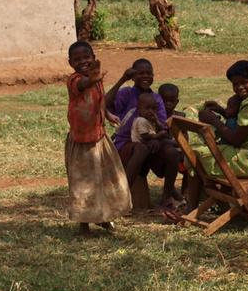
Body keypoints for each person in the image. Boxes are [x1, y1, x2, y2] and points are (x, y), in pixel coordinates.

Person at [187, 61, 248, 208]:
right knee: (202, 152)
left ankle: (192, 208)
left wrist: (214, 120)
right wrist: (221, 111)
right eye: (235, 84)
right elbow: (243, 127)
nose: (240, 87)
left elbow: (236, 139)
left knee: (192, 153)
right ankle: (222, 206)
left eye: (244, 82)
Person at [64, 41, 132, 238]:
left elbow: (99, 100)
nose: (82, 62)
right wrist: (91, 80)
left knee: (106, 179)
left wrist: (108, 115)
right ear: (70, 63)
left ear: (93, 58)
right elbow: (82, 85)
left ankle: (103, 217)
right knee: (83, 184)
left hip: (99, 139)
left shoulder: (96, 78)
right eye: (77, 59)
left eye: (86, 57)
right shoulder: (74, 80)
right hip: (82, 143)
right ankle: (83, 226)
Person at [105, 59, 184, 214]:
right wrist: (122, 79)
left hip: (152, 142)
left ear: (154, 75)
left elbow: (164, 127)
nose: (145, 76)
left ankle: (166, 196)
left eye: (149, 73)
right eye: (140, 73)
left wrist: (156, 138)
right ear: (133, 76)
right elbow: (104, 103)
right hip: (127, 143)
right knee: (141, 148)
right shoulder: (126, 93)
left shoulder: (157, 99)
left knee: (172, 153)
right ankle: (123, 197)